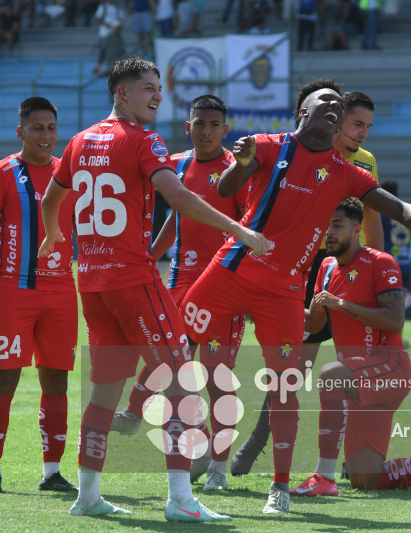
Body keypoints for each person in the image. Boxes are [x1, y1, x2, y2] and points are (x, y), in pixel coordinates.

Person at [180, 77, 411, 514]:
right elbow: (227, 189)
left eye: (338, 105)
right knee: (172, 346)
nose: (334, 106)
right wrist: (243, 162)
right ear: (302, 112)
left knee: (285, 386)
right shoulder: (268, 144)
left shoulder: (346, 172)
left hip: (284, 290)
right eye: (324, 100)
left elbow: (395, 207)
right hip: (230, 270)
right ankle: (184, 465)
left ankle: (280, 488)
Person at [38, 57, 269, 520]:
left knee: (104, 395)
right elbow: (179, 197)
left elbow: (50, 199)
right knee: (185, 385)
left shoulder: (80, 140)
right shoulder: (145, 139)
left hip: (94, 284)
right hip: (134, 281)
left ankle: (87, 497)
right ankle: (181, 500)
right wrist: (241, 232)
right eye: (148, 87)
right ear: (122, 93)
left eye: (159, 87)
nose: (158, 95)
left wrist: (52, 235)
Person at [230, 90, 411, 477]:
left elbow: (372, 219)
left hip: (351, 268)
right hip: (305, 266)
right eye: (357, 124)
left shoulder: (364, 162)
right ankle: (257, 440)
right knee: (292, 367)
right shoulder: (305, 149)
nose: (363, 133)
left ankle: (348, 460)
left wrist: (376, 265)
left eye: (368, 126)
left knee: (354, 366)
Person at [289, 198, 411, 494]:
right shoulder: (327, 268)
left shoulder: (380, 262)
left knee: (330, 374)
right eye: (325, 226)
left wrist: (342, 304)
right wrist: (276, 307)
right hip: (357, 378)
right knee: (366, 480)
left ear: (356, 229)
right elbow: (316, 326)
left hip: (388, 367)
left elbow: (395, 321)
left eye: (337, 225)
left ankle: (323, 477)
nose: (328, 232)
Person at [109, 94, 250, 493]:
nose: (205, 131)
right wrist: (149, 255)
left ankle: (218, 466)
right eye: (198, 123)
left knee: (217, 377)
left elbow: (246, 225)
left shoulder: (237, 171)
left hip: (224, 284)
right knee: (167, 358)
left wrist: (249, 287)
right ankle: (164, 429)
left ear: (225, 130)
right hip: (181, 280)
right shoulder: (177, 163)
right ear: (187, 127)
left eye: (213, 125)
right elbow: (176, 213)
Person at [0, 97, 78, 495]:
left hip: (61, 292)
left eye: (51, 128)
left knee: (57, 381)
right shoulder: (0, 173)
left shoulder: (67, 174)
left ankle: (52, 472)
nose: (45, 135)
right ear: (21, 132)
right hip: (12, 290)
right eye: (37, 128)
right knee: (4, 380)